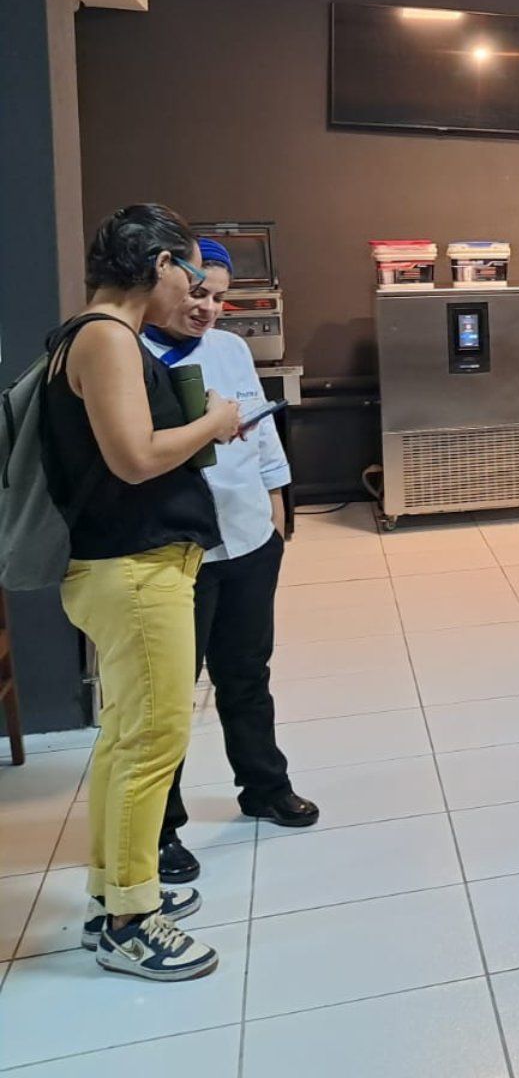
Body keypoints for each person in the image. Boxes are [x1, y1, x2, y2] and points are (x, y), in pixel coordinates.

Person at [47, 205, 241, 982]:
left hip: (127, 567)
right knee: (154, 739)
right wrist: (214, 423)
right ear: (159, 264)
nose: (195, 291)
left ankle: (114, 891)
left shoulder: (89, 335)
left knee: (129, 737)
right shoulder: (106, 336)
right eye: (190, 275)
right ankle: (131, 921)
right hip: (133, 569)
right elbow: (133, 459)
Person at [142, 239, 318, 889]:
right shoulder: (128, 355)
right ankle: (159, 826)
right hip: (175, 552)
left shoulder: (231, 349)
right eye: (198, 294)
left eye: (219, 296)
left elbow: (263, 431)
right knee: (167, 696)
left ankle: (265, 787)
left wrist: (275, 508)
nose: (209, 308)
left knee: (246, 673)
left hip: (247, 539)